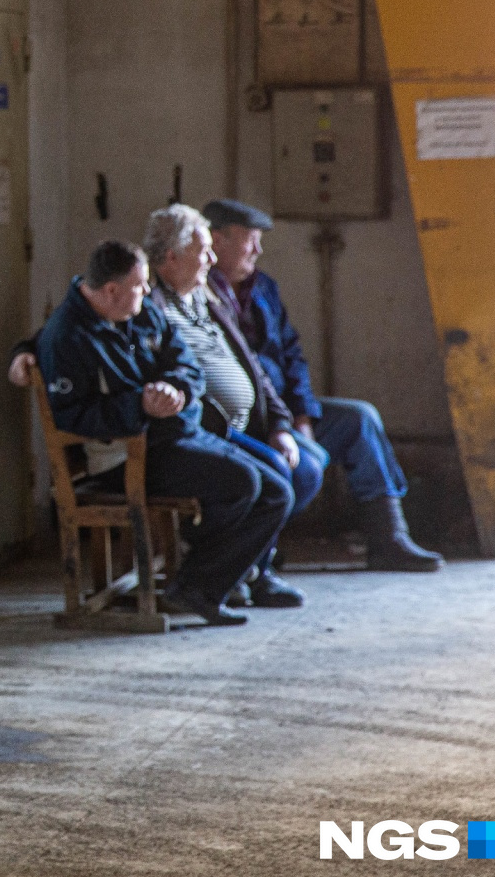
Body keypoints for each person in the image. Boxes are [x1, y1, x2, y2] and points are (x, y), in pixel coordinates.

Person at [30, 238, 291, 626]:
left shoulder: (140, 311)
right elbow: (71, 416)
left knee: (277, 492)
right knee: (243, 484)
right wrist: (139, 404)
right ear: (112, 291)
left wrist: (177, 389)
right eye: (140, 285)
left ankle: (196, 584)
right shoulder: (67, 337)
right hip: (126, 457)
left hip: (176, 435)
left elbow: (186, 364)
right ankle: (197, 588)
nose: (148, 291)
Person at [200, 198, 444, 571]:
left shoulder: (262, 288)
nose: (258, 249)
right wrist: (281, 424)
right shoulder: (201, 294)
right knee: (305, 464)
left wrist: (301, 414)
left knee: (359, 419)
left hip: (281, 410)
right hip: (244, 419)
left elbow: (291, 356)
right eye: (250, 240)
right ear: (218, 241)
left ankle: (388, 538)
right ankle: (253, 549)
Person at [142, 204, 320, 608]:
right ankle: (234, 577)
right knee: (270, 477)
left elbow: (253, 369)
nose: (210, 260)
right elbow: (88, 320)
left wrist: (279, 424)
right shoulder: (150, 306)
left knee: (298, 468)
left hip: (244, 426)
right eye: (202, 251)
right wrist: (25, 353)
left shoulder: (205, 297)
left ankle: (245, 572)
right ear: (171, 258)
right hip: (201, 434)